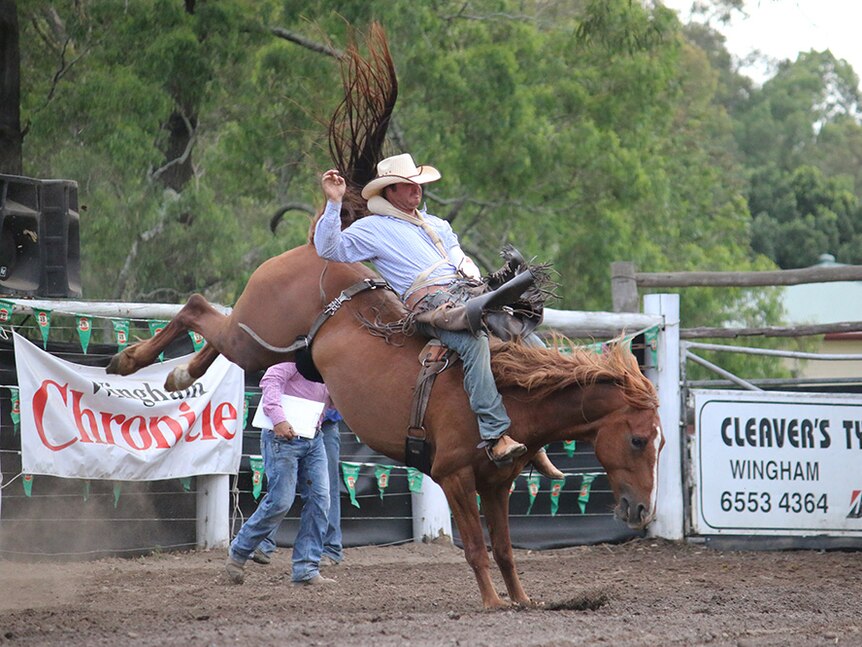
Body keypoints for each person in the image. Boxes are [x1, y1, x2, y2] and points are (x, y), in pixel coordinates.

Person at [314, 153, 527, 466]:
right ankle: (495, 434)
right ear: (390, 191)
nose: (417, 190)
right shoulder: (373, 228)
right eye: (407, 185)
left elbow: (458, 257)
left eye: (418, 184)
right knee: (474, 344)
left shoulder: (438, 224)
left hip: (466, 295)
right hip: (429, 307)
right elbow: (329, 248)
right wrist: (334, 203)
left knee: (520, 329)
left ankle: (538, 428)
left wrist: (477, 280)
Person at [225, 362, 335, 586]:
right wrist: (279, 419)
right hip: (285, 437)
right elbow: (271, 380)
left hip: (312, 435)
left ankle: (305, 568)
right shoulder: (296, 358)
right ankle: (242, 550)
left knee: (318, 500)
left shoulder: (325, 364)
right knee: (282, 501)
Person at [320, 407, 344, 565]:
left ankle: (331, 547)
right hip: (294, 423)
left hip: (324, 424)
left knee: (328, 488)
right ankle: (331, 548)